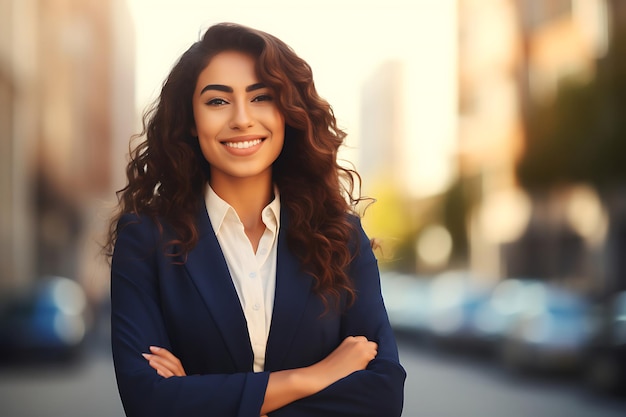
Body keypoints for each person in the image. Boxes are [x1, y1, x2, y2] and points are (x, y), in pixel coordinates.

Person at [106, 22, 405, 417]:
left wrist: (198, 396)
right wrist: (314, 377)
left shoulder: (341, 237)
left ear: (287, 113)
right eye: (217, 101)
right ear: (191, 121)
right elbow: (148, 402)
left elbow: (382, 399)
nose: (242, 119)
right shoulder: (145, 241)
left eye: (261, 97)